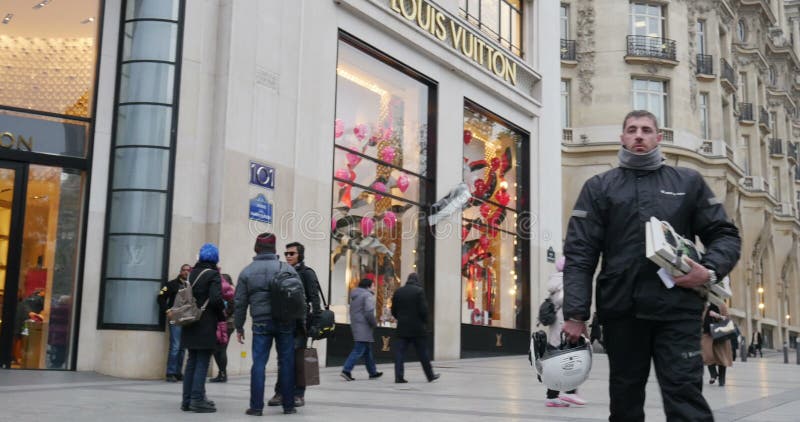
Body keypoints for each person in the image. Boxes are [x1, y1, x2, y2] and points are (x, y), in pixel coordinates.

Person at [562, 110, 741, 421]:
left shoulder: (689, 182)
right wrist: (576, 313)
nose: (639, 135)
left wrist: (709, 270)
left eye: (646, 130)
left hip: (678, 311)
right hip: (621, 312)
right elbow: (580, 253)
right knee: (625, 400)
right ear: (622, 137)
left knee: (685, 395)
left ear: (659, 137)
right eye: (632, 129)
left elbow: (725, 235)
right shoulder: (599, 187)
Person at [235, 233, 302, 416]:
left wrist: (239, 326)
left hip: (260, 323)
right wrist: (300, 323)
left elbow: (240, 303)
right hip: (285, 322)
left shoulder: (247, 272)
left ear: (256, 248)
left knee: (259, 363)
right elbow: (299, 297)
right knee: (286, 363)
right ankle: (288, 405)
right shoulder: (286, 268)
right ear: (274, 249)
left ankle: (256, 407)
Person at [268, 241, 322, 408]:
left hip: (300, 325)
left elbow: (315, 299)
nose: (288, 256)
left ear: (300, 255)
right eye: (286, 254)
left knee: (299, 360)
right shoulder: (282, 271)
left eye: (292, 253)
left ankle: (299, 394)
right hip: (283, 323)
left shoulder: (307, 273)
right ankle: (280, 392)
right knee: (282, 359)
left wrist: (316, 323)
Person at [180, 244, 224, 413]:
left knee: (192, 360)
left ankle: (187, 400)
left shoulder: (191, 274)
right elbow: (215, 299)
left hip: (190, 321)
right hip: (205, 322)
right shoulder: (213, 275)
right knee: (202, 361)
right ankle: (197, 399)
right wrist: (222, 314)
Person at [544, 257, 586, 407]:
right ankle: (570, 393)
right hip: (565, 326)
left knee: (559, 363)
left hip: (556, 328)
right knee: (571, 360)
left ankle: (552, 397)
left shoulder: (554, 281)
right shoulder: (566, 282)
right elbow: (565, 300)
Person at [391, 273, 439, 383]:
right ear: (417, 280)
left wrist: (400, 318)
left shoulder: (398, 291)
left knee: (399, 353)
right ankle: (430, 375)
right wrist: (425, 322)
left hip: (402, 327)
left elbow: (393, 310)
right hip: (417, 328)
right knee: (423, 353)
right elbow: (424, 310)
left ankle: (398, 377)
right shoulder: (419, 291)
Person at [341, 278, 382, 381]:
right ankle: (346, 370)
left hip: (357, 325)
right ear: (368, 286)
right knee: (358, 349)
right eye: (373, 285)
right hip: (364, 326)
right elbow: (369, 312)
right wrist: (374, 323)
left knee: (367, 350)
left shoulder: (356, 295)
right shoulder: (367, 295)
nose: (375, 288)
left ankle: (372, 372)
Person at [158, 264, 191, 382]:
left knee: (183, 347)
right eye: (184, 270)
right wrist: (167, 311)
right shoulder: (171, 284)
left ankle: (178, 372)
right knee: (176, 346)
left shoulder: (191, 285)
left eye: (189, 270)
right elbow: (160, 297)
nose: (186, 272)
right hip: (175, 317)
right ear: (180, 271)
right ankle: (170, 373)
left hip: (186, 319)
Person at [209, 273, 235, 383]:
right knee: (215, 349)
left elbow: (231, 309)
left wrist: (222, 315)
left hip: (227, 324)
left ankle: (223, 374)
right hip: (219, 323)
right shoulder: (221, 292)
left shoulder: (231, 293)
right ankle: (221, 372)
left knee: (221, 349)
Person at [701, 302, 733, 386]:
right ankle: (713, 374)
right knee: (707, 355)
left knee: (721, 357)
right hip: (707, 334)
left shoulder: (721, 305)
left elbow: (728, 320)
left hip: (720, 333)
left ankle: (722, 379)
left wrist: (717, 315)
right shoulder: (704, 304)